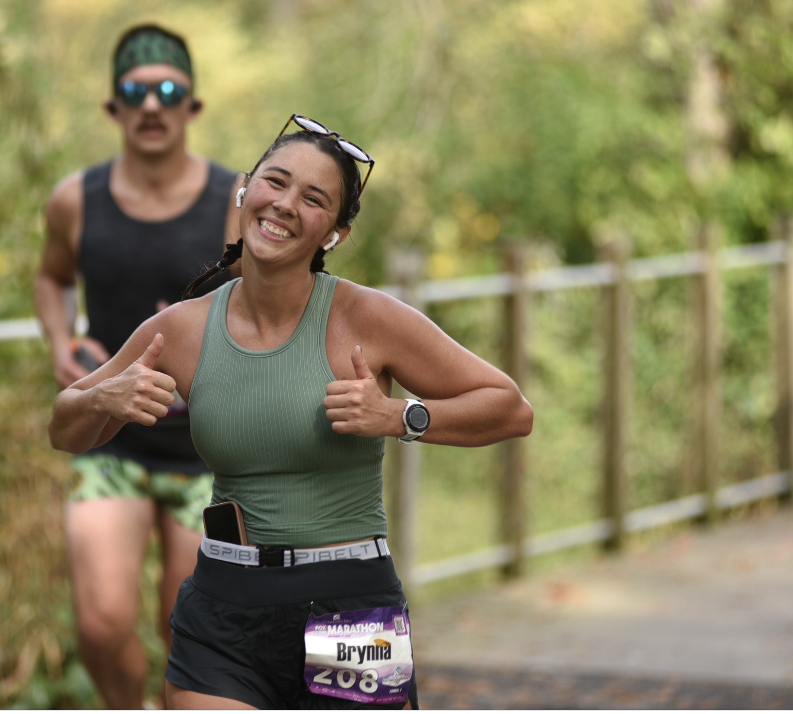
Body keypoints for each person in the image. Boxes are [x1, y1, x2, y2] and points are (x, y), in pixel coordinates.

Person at [47, 113, 534, 710]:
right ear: (244, 190)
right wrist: (102, 398)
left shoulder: (367, 317)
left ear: (336, 233)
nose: (284, 204)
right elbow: (65, 425)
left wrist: (397, 417)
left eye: (313, 198)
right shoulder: (183, 329)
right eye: (275, 182)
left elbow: (510, 408)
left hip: (350, 607)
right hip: (223, 609)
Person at [34, 23, 239, 709]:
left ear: (193, 106)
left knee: (185, 630)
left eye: (169, 92)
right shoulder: (75, 200)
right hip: (109, 442)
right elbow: (51, 277)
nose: (152, 105)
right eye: (136, 91)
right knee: (100, 625)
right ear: (113, 107)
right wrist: (61, 342)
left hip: (209, 452)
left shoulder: (236, 201)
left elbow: (266, 304)